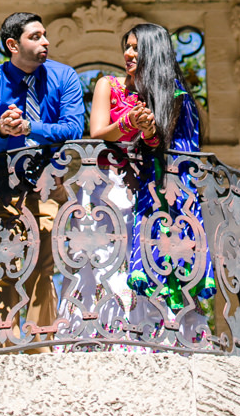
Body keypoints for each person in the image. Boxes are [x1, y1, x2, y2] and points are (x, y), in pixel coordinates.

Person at [0, 12, 84, 339]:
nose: (45, 41)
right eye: (35, 37)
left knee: (42, 270)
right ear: (12, 45)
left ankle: (39, 348)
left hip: (48, 183)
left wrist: (32, 127)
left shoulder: (64, 77)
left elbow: (74, 128)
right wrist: (3, 131)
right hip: (0, 188)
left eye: (45, 35)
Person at [89, 22, 215, 315]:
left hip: (154, 190)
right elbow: (97, 132)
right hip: (113, 187)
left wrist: (147, 131)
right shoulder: (109, 84)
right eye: (127, 47)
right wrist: (130, 123)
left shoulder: (169, 96)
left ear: (153, 52)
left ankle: (155, 332)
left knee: (152, 253)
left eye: (136, 47)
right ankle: (113, 330)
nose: (128, 53)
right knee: (111, 259)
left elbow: (162, 143)